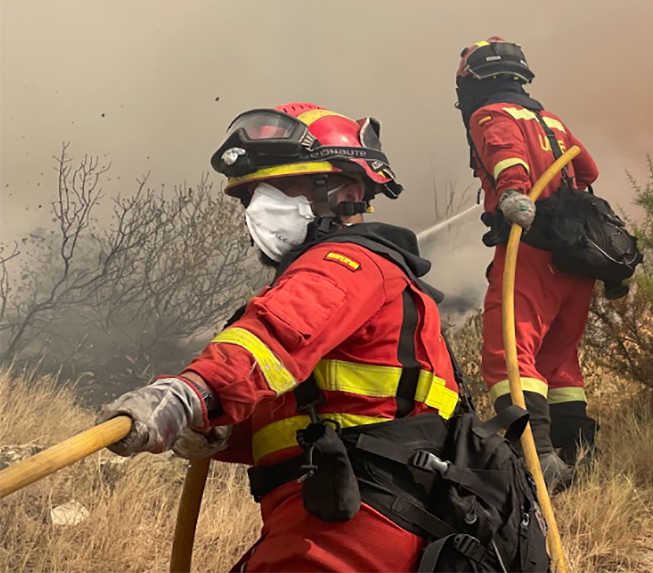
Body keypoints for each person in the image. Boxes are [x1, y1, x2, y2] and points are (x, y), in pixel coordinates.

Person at [98, 103, 461, 573]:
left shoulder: (348, 262)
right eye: (252, 195)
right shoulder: (345, 282)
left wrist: (189, 393)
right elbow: (314, 413)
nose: (260, 207)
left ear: (348, 192)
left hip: (355, 527)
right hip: (325, 516)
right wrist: (222, 431)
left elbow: (276, 337)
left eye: (284, 187)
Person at [455, 38, 600, 489]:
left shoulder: (489, 115)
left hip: (529, 247)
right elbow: (588, 171)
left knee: (509, 352)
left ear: (472, 81)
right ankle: (575, 451)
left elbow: (505, 154)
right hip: (573, 257)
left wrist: (514, 192)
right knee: (558, 357)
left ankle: (535, 458)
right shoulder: (550, 119)